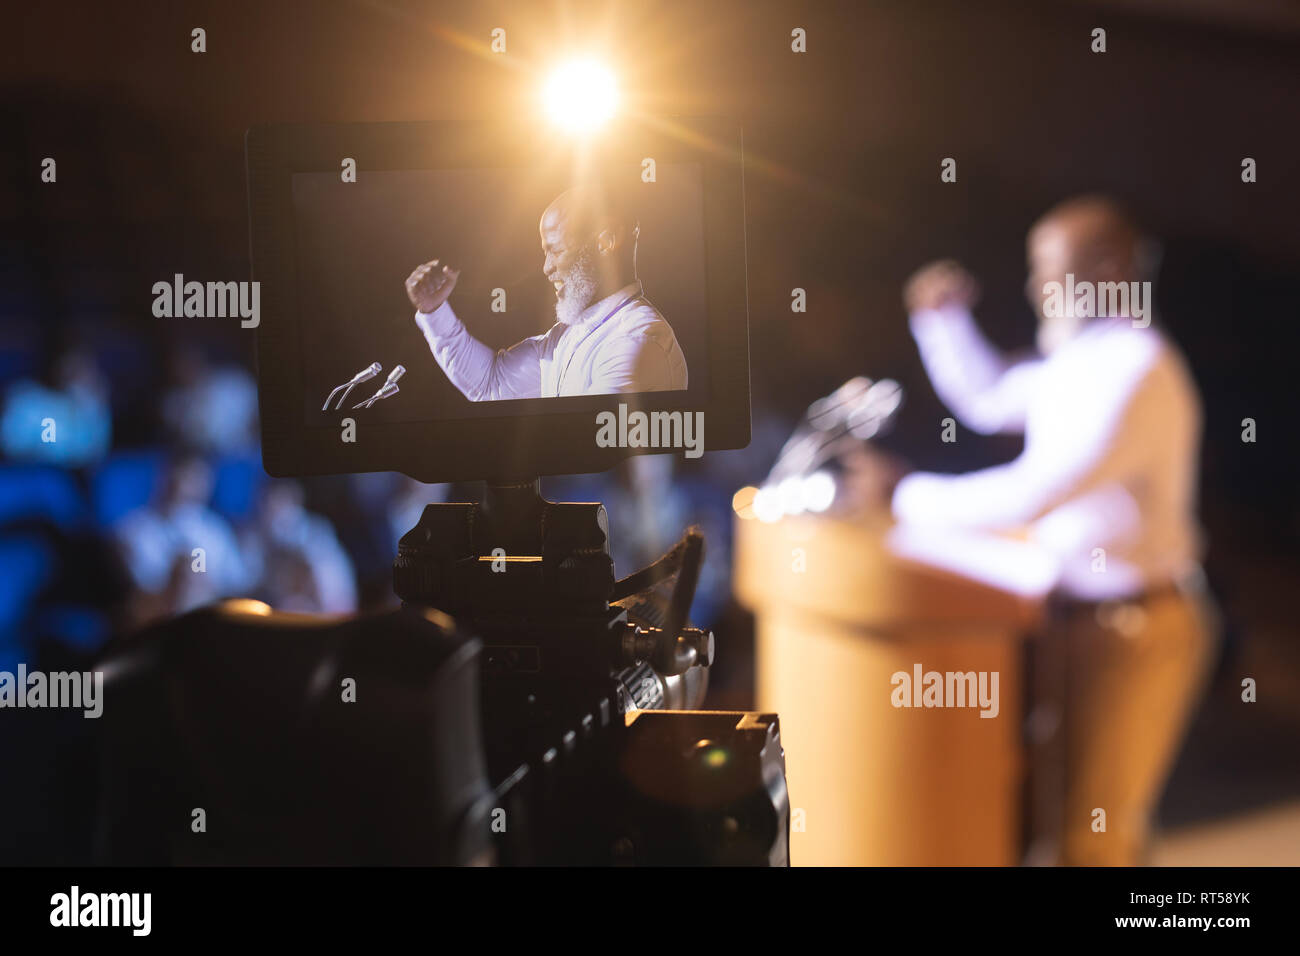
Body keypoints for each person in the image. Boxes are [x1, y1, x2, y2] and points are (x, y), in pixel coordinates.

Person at [893, 195, 1219, 865]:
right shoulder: (1085, 360)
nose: (1034, 285)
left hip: (1130, 627)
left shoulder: (1134, 367)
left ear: (1102, 267)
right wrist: (941, 323)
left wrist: (902, 493)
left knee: (1089, 838)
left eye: (1048, 267)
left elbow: (1033, 492)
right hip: (1084, 623)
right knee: (1070, 828)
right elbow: (987, 399)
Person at [405, 185, 688, 400]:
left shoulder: (635, 342)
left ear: (607, 241)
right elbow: (489, 384)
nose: (546, 268)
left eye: (556, 250)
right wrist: (434, 309)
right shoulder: (566, 338)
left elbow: (586, 452)